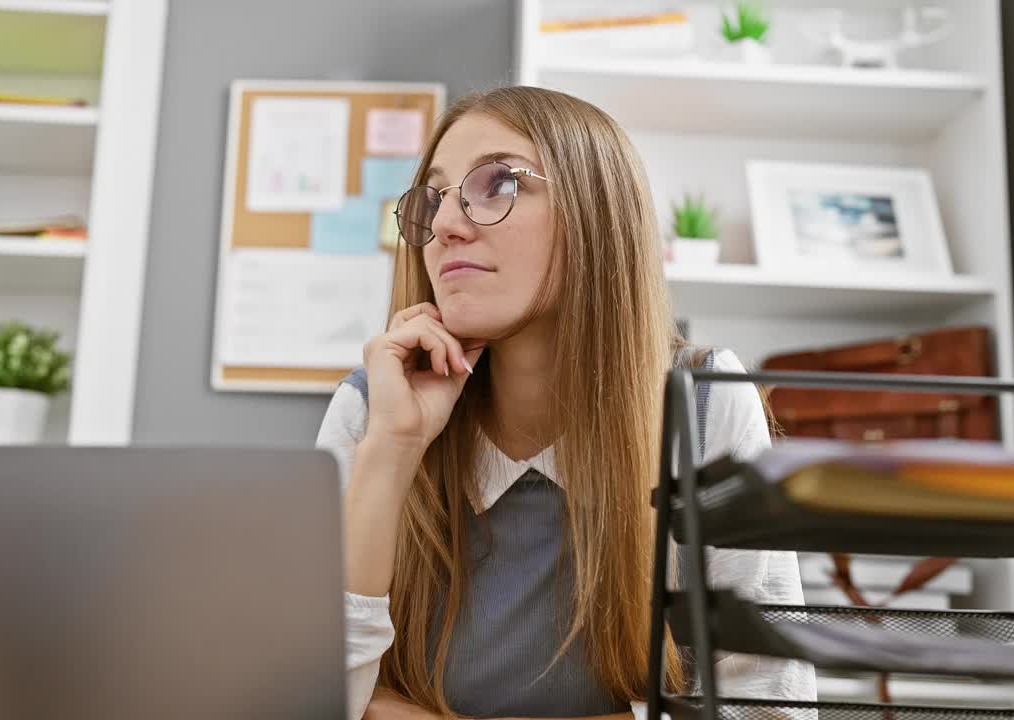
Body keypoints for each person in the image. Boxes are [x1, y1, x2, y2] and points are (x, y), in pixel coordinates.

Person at [316, 86, 815, 720]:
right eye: (434, 197)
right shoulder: (374, 405)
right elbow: (308, 696)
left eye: (498, 184)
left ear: (595, 215)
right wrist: (393, 450)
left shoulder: (703, 403)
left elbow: (768, 707)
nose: (443, 225)